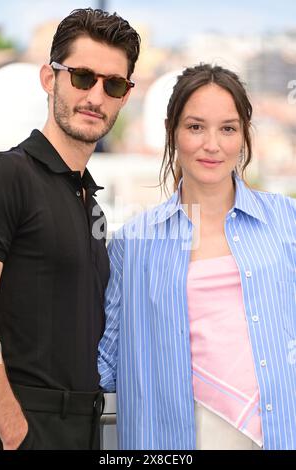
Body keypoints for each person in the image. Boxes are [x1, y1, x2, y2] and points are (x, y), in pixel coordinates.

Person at [99, 64, 296, 450]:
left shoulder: (288, 221)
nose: (212, 144)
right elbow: (106, 362)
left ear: (243, 136)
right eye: (195, 127)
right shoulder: (133, 244)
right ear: (172, 132)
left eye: (227, 128)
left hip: (277, 434)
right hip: (172, 442)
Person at [0, 8, 140, 450]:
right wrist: (13, 429)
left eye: (112, 84)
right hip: (26, 428)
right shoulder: (8, 175)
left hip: (86, 429)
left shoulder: (90, 203)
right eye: (82, 77)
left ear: (124, 97)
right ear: (49, 78)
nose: (96, 96)